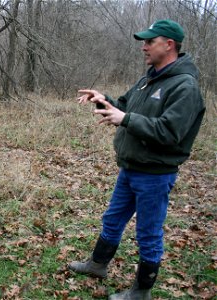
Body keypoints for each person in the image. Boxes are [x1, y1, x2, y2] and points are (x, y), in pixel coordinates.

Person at [69, 20, 205, 299]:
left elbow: (170, 132)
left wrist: (126, 118)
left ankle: (141, 291)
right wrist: (102, 99)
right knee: (113, 219)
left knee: (148, 234)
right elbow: (124, 107)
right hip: (131, 167)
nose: (143, 47)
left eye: (149, 42)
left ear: (168, 45)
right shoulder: (148, 79)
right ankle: (97, 264)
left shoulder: (185, 87)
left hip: (155, 174)